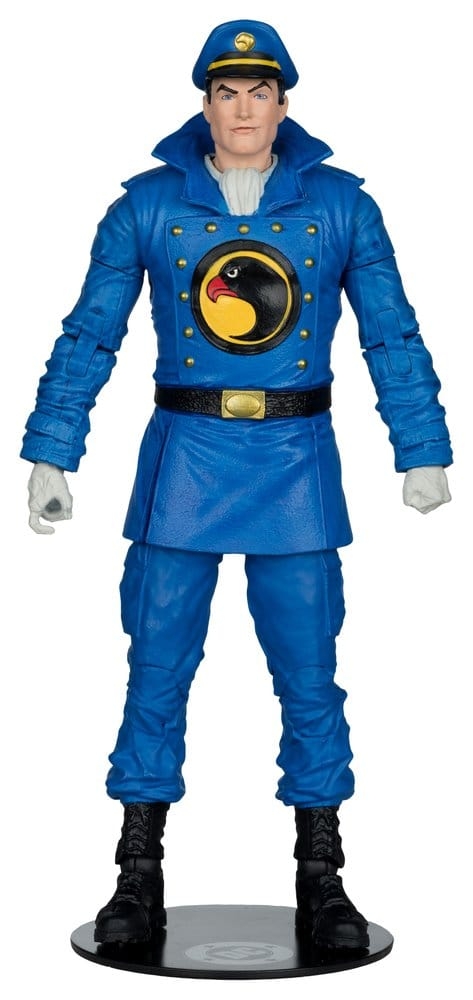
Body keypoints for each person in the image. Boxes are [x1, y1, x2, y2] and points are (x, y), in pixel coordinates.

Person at [21, 20, 452, 950]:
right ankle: (136, 872)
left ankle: (321, 877)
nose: (244, 109)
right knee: (155, 666)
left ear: (284, 104)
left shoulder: (341, 206)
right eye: (227, 92)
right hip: (184, 458)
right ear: (205, 104)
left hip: (295, 464)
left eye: (260, 92)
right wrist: (53, 450)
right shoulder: (146, 207)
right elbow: (89, 333)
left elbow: (391, 333)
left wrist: (420, 448)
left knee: (308, 673)